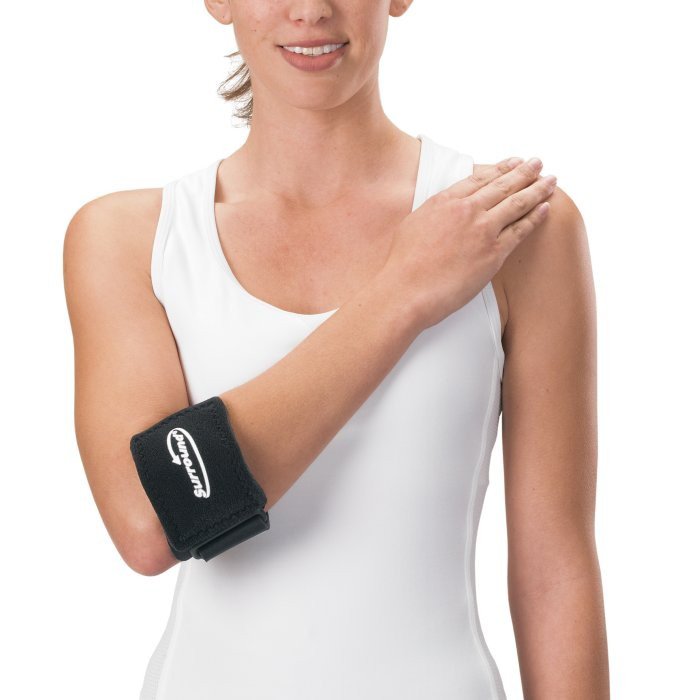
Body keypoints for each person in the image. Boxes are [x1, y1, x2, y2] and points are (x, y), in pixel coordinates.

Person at [63, 1, 609, 698]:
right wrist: (404, 291)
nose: (311, 10)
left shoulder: (511, 227)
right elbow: (152, 520)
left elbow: (554, 569)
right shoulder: (131, 239)